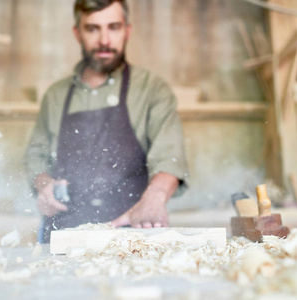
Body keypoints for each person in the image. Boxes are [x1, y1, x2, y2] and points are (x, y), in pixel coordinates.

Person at [24, 0, 188, 243]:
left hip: (132, 236)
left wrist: (154, 198)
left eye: (113, 27)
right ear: (77, 33)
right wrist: (44, 185)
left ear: (127, 31)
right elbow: (35, 156)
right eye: (92, 29)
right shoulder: (56, 95)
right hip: (63, 238)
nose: (104, 40)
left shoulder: (152, 90)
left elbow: (169, 156)